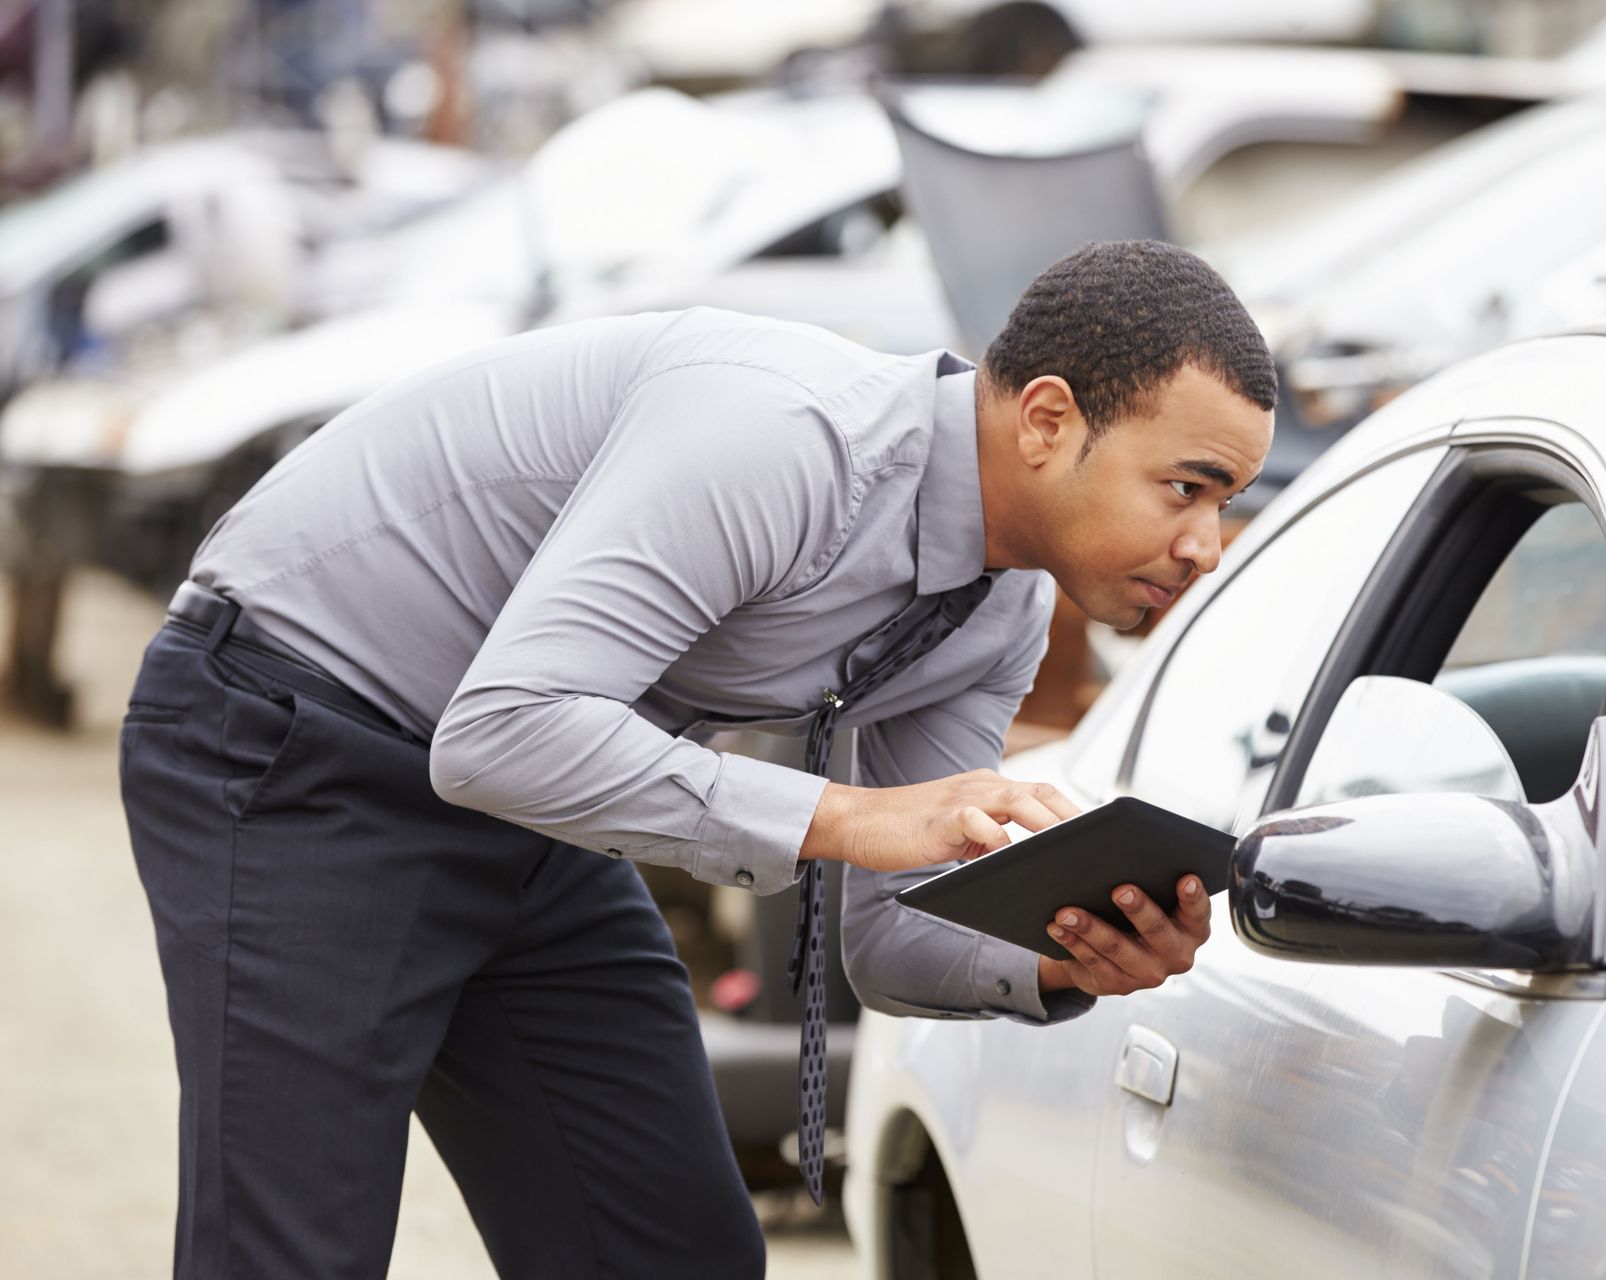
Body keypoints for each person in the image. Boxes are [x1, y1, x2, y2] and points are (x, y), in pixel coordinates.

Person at [118, 240, 1277, 1278]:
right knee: (293, 1250)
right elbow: (501, 729)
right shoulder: (784, 441)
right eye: (1187, 487)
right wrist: (854, 815)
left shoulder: (998, 614)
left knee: (674, 1249)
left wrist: (1066, 956)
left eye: (1228, 501)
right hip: (294, 732)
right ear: (1046, 419)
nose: (1206, 545)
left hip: (537, 793)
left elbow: (887, 935)